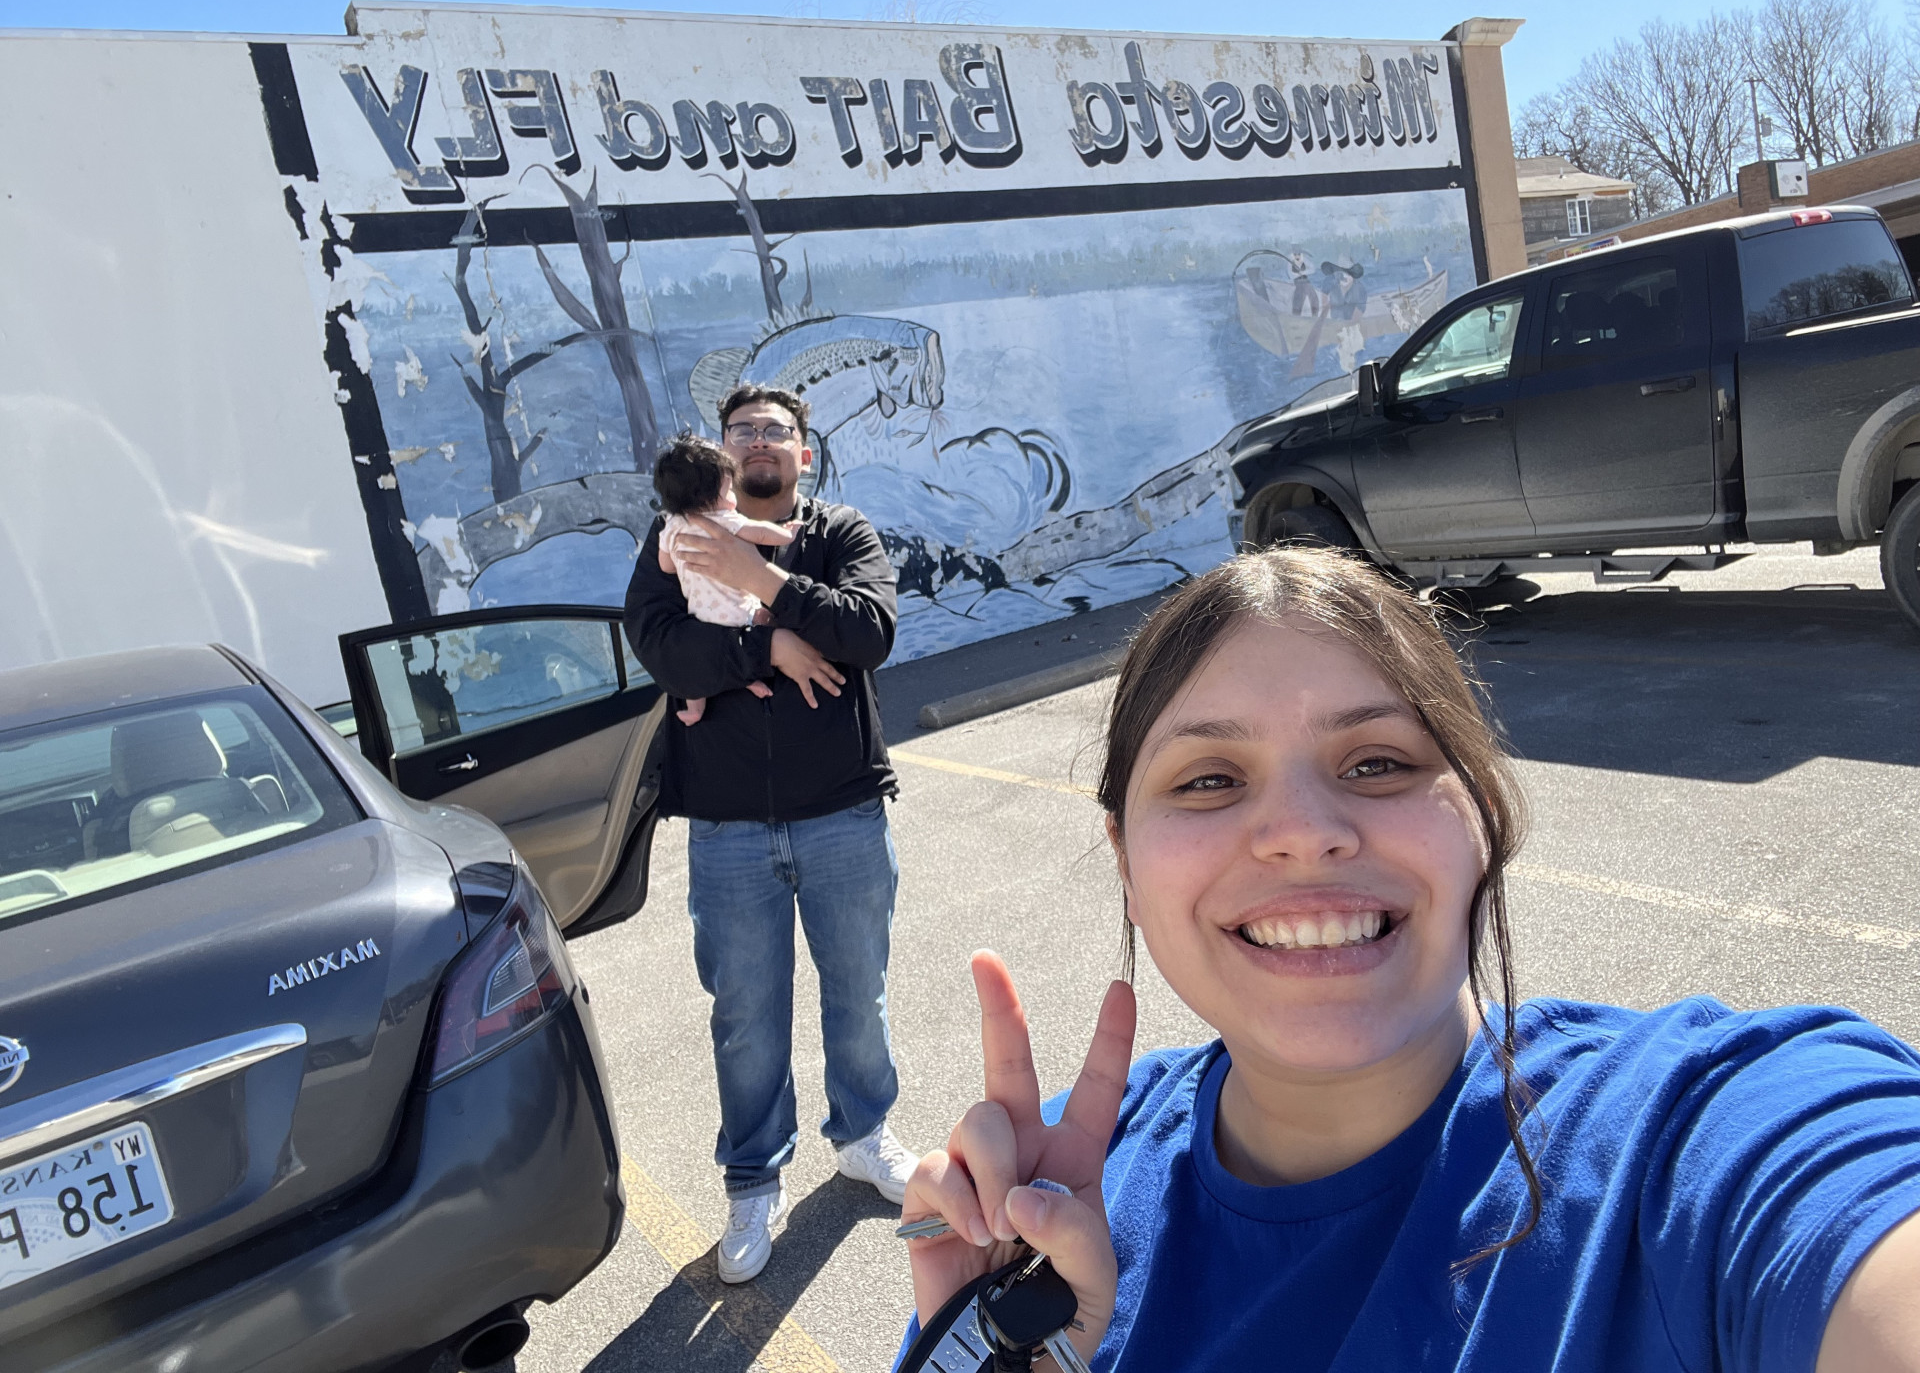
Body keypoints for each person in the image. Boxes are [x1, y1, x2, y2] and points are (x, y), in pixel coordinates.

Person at [899, 548, 1920, 1371]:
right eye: (1209, 779)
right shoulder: (1043, 1210)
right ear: (1126, 859)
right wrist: (1007, 1355)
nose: (1304, 833)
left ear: (1483, 811)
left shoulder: (1704, 1141)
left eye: (1377, 763)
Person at [626, 384, 918, 1285]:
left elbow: (869, 632)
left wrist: (763, 583)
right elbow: (657, 644)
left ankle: (864, 1136)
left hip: (842, 813)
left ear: (804, 454)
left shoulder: (840, 533)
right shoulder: (675, 532)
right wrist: (768, 649)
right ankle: (753, 1180)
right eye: (742, 430)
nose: (758, 440)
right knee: (745, 1016)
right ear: (722, 452)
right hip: (727, 830)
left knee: (858, 993)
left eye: (776, 431)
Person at [649, 431, 796, 726]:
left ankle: (695, 710)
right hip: (739, 611)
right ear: (708, 496)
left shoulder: (672, 526)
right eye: (729, 491)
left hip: (701, 618)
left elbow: (665, 566)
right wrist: (786, 534)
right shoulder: (723, 519)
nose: (733, 499)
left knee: (696, 672)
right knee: (766, 626)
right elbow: (760, 533)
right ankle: (752, 679)